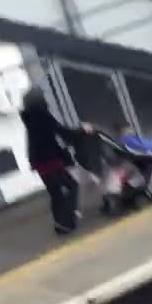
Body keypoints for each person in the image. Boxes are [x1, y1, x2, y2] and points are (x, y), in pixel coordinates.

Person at [20, 87, 90, 236]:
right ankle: (67, 220)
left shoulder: (29, 118)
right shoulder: (42, 115)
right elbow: (62, 131)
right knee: (72, 186)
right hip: (50, 159)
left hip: (39, 161)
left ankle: (60, 223)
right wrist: (81, 130)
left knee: (55, 192)